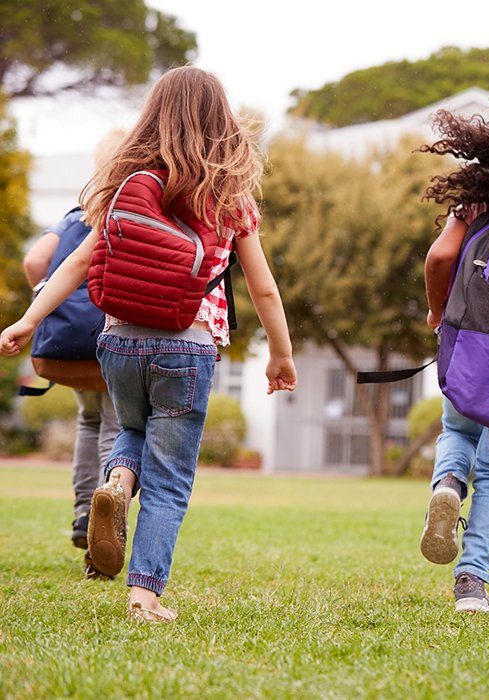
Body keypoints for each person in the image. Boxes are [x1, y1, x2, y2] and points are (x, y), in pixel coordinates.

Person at [0, 66, 297, 623]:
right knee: (172, 479)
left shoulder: (128, 183)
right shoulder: (227, 195)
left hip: (115, 341)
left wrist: (27, 318)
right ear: (219, 121)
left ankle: (116, 480)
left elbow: (80, 260)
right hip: (187, 346)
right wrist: (280, 355)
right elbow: (262, 287)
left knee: (131, 432)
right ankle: (144, 597)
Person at [22, 128, 126, 577]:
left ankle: (84, 514)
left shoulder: (72, 215)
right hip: (106, 336)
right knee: (113, 424)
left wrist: (47, 300)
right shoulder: (125, 212)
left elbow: (33, 261)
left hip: (66, 344)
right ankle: (105, 513)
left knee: (87, 421)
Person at [418, 105, 489, 612]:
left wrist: (437, 310)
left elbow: (442, 258)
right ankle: (472, 584)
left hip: (471, 337)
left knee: (458, 430)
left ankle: (448, 484)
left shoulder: (481, 194)